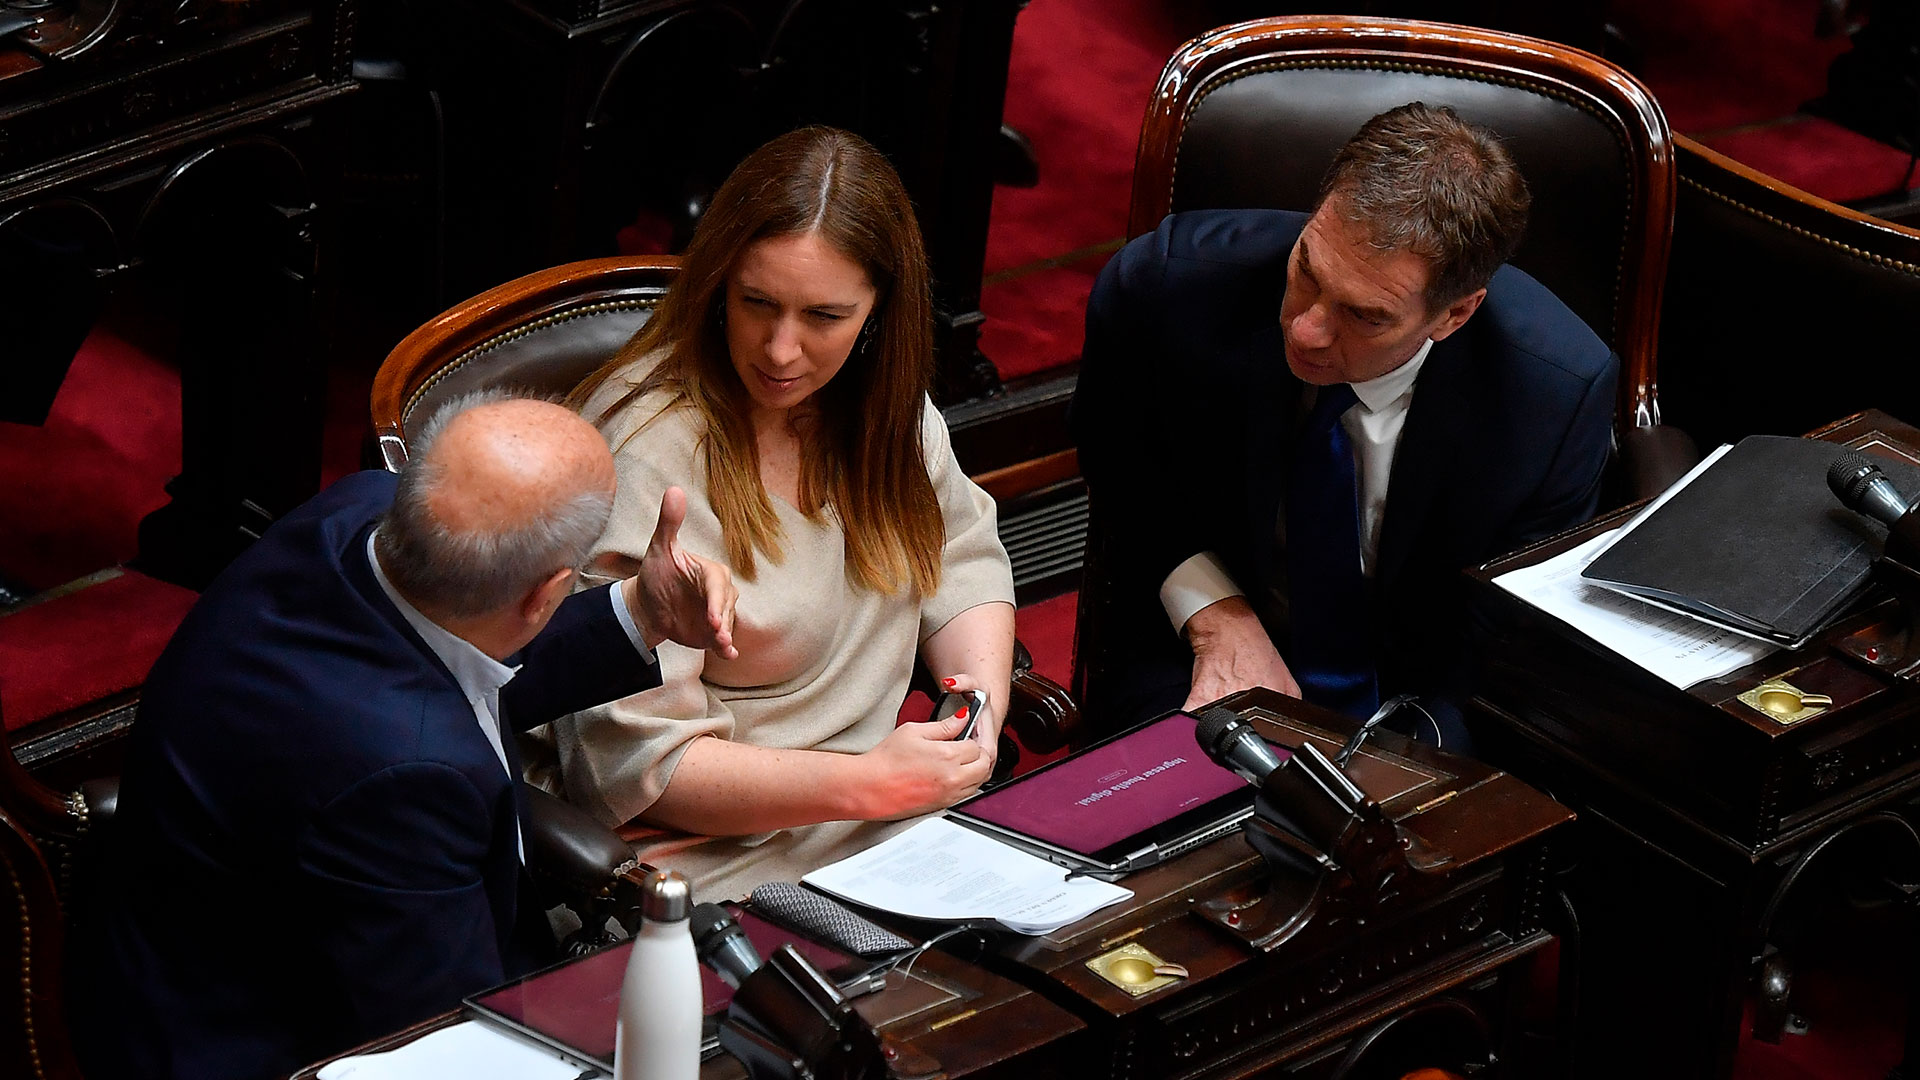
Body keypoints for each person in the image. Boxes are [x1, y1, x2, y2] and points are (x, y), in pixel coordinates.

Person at [71, 393, 738, 1080]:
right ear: (546, 595)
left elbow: (463, 651)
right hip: (255, 1041)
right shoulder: (402, 776)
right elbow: (445, 1040)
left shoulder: (361, 512)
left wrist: (641, 609)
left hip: (226, 932)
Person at [539, 126, 1016, 900]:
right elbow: (633, 767)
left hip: (890, 823)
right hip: (710, 868)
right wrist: (865, 785)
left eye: (824, 317)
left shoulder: (885, 408)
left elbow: (961, 560)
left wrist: (978, 717)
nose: (781, 351)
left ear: (879, 313)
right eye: (756, 303)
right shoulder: (649, 452)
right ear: (717, 281)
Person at [1072, 102, 1618, 747]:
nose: (1306, 329)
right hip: (1196, 639)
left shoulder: (1551, 395)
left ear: (1454, 315)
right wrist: (1217, 615)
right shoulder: (1168, 288)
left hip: (1420, 695)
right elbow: (1123, 469)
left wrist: (1395, 767)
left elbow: (1505, 635)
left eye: (1365, 315)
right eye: (1307, 269)